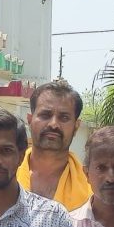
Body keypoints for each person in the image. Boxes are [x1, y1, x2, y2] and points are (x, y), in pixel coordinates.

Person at [23, 79, 92, 208]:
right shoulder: (7, 174)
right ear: (30, 120)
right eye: (45, 115)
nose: (53, 124)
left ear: (76, 127)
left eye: (64, 117)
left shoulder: (91, 188)